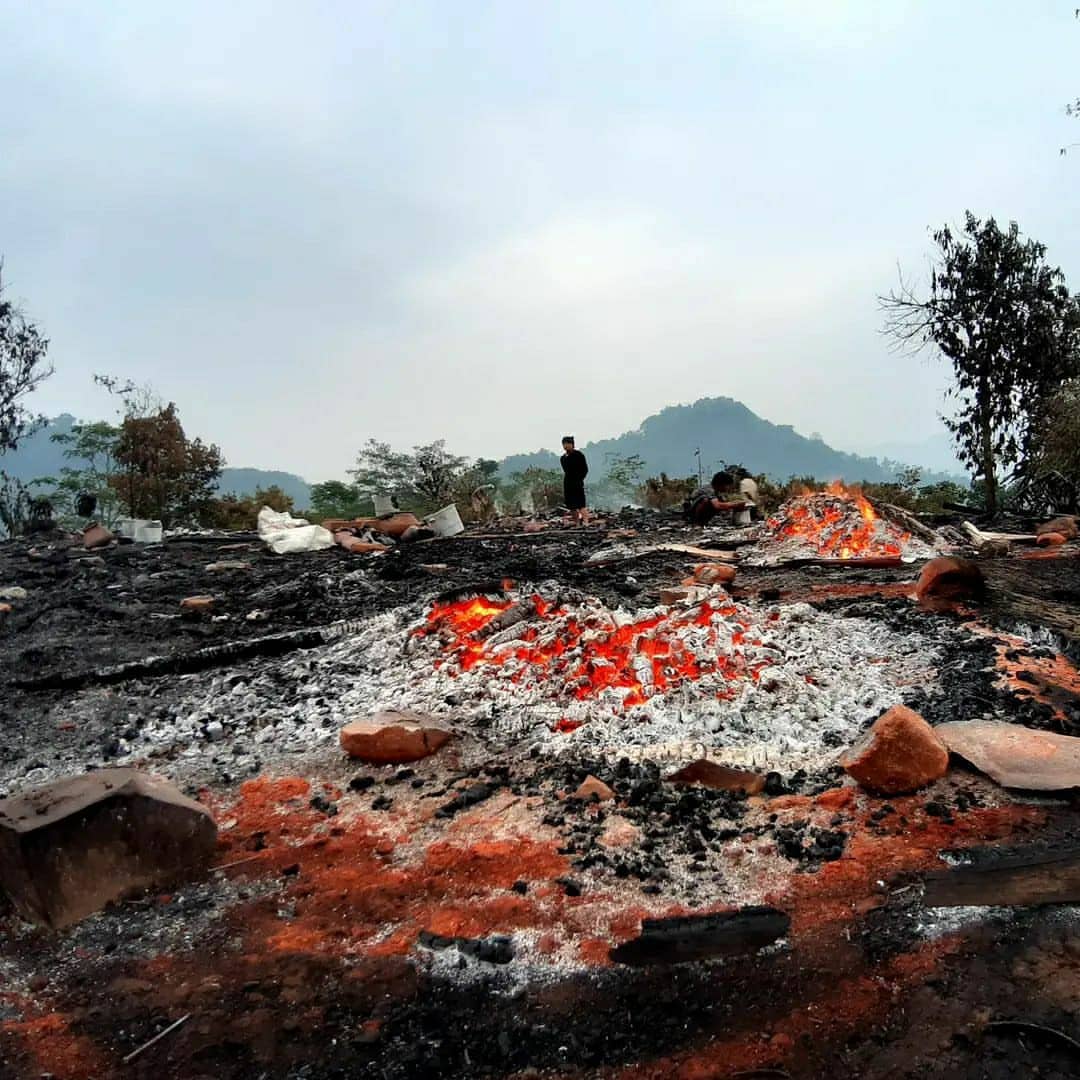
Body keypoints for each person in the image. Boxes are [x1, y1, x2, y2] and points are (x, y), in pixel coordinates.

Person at [685, 470, 751, 526]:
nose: (728, 488)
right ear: (722, 484)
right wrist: (735, 504)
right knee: (706, 501)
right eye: (728, 486)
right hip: (691, 514)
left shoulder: (717, 493)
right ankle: (696, 523)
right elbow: (718, 506)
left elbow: (725, 507)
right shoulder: (709, 490)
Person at [560, 435, 590, 525]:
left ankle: (586, 522)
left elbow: (585, 469)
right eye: (564, 444)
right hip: (568, 483)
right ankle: (577, 523)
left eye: (567, 444)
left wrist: (579, 479)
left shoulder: (579, 455)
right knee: (571, 506)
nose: (565, 446)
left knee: (581, 504)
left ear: (572, 444)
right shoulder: (563, 458)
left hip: (577, 482)